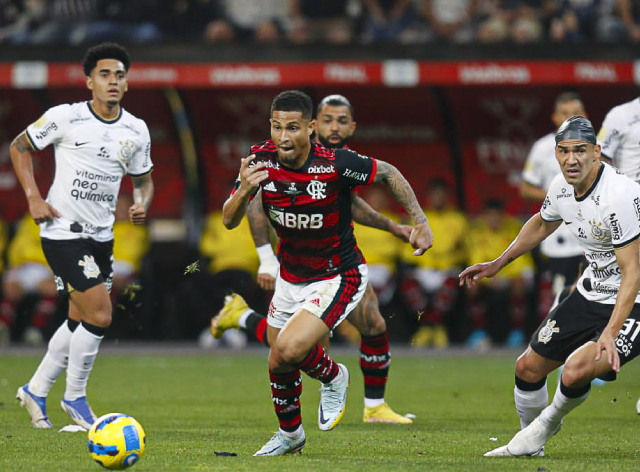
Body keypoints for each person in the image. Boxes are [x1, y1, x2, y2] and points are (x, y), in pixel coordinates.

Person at [222, 90, 432, 456]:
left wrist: (419, 222)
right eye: (276, 127)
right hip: (291, 276)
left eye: (292, 128)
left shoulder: (335, 163)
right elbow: (229, 219)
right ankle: (290, 436)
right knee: (278, 356)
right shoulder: (259, 160)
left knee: (294, 346)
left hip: (338, 275)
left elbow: (388, 173)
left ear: (310, 128)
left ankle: (335, 377)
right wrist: (244, 190)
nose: (283, 137)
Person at [460, 116, 640, 457]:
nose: (571, 159)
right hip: (593, 291)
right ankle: (530, 443)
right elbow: (542, 223)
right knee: (526, 367)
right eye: (564, 151)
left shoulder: (619, 196)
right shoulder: (560, 186)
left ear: (598, 152)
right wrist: (499, 263)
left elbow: (633, 272)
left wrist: (611, 332)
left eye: (580, 151)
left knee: (574, 372)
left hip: (635, 298)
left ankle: (542, 428)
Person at [11, 42, 154, 429]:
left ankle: (36, 389)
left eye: (119, 75)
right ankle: (75, 397)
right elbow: (19, 147)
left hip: (102, 237)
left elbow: (144, 179)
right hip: (61, 233)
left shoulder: (136, 130)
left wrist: (141, 201)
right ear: (89, 80)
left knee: (79, 318)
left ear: (126, 83)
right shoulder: (65, 117)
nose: (113, 81)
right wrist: (34, 197)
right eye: (105, 74)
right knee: (102, 314)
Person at [521, 92, 586, 300]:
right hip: (556, 235)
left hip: (591, 234)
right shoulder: (542, 147)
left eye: (575, 113)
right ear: (555, 118)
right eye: (565, 113)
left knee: (591, 297)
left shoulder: (597, 147)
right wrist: (560, 196)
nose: (570, 118)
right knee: (557, 298)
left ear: (584, 115)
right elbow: (526, 188)